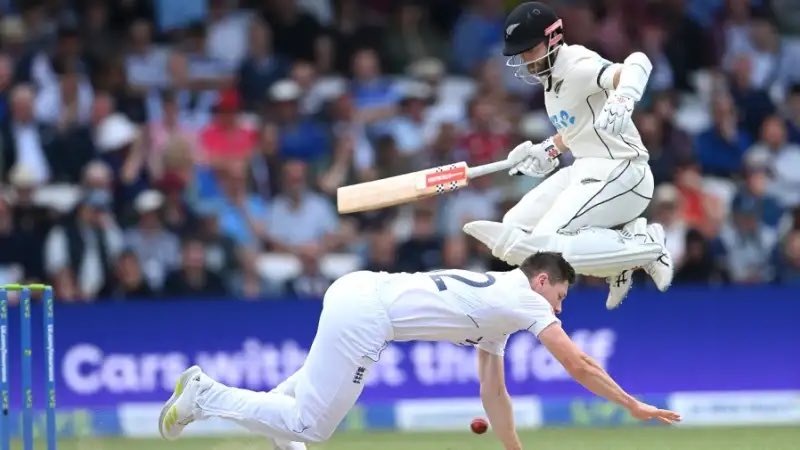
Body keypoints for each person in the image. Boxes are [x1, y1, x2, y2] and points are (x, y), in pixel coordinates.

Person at [157, 253, 680, 450]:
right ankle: (205, 395)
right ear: (543, 281)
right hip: (370, 316)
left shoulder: (501, 305)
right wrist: (631, 403)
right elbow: (578, 363)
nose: (559, 311)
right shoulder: (525, 298)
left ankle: (269, 437)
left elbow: (492, 392)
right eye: (561, 298)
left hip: (357, 290)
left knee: (295, 411)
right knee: (311, 426)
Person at [463, 2, 673, 309]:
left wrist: (625, 97)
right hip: (586, 169)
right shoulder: (551, 80)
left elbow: (637, 63)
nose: (524, 59)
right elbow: (576, 129)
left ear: (553, 38)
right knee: (515, 229)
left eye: (529, 50)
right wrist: (546, 150)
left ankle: (646, 246)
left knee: (547, 243)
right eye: (520, 53)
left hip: (623, 172)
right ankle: (618, 263)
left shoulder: (576, 65)